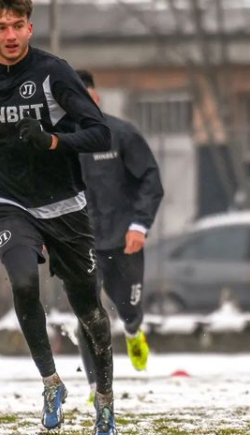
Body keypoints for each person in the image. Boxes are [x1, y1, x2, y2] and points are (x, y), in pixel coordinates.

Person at [0, 0, 117, 434]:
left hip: (66, 207)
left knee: (89, 311)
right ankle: (51, 383)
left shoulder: (54, 73)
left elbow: (100, 133)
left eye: (18, 26)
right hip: (10, 203)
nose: (11, 35)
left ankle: (105, 400)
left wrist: (54, 141)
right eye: (1, 27)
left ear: (30, 29)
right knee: (22, 283)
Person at [74, 70, 164, 401]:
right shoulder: (59, 142)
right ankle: (96, 388)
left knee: (128, 306)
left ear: (96, 97)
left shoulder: (122, 134)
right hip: (81, 243)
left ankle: (133, 330)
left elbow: (150, 181)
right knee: (87, 313)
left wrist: (139, 225)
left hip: (124, 240)